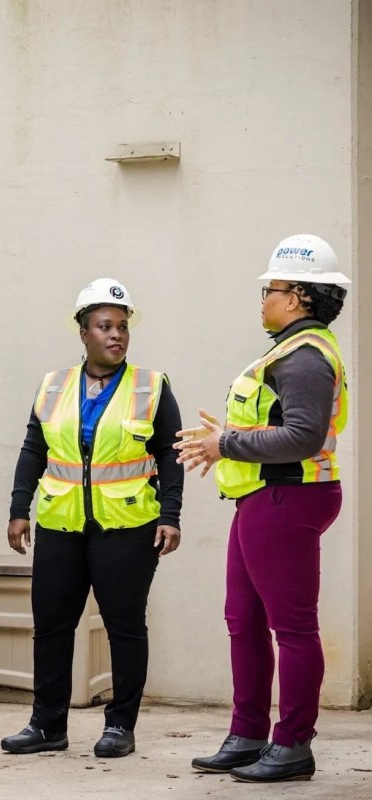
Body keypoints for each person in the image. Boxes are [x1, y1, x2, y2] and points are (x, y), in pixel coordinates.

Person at [175, 234, 350, 783]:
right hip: (263, 497)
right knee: (243, 619)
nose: (263, 299)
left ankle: (293, 744)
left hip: (287, 497)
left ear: (295, 296)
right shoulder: (288, 351)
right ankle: (248, 733)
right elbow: (276, 425)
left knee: (292, 627)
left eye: (269, 290)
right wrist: (225, 438)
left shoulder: (305, 358)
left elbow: (302, 435)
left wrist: (225, 443)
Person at [2, 278, 184, 759]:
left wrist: (170, 515)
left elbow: (171, 454)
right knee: (51, 627)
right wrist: (19, 509)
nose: (116, 334)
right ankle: (47, 726)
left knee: (125, 628)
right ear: (83, 332)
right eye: (105, 326)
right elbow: (33, 449)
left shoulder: (151, 386)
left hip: (127, 528)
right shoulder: (53, 385)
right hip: (60, 526)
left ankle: (120, 725)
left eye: (122, 326)